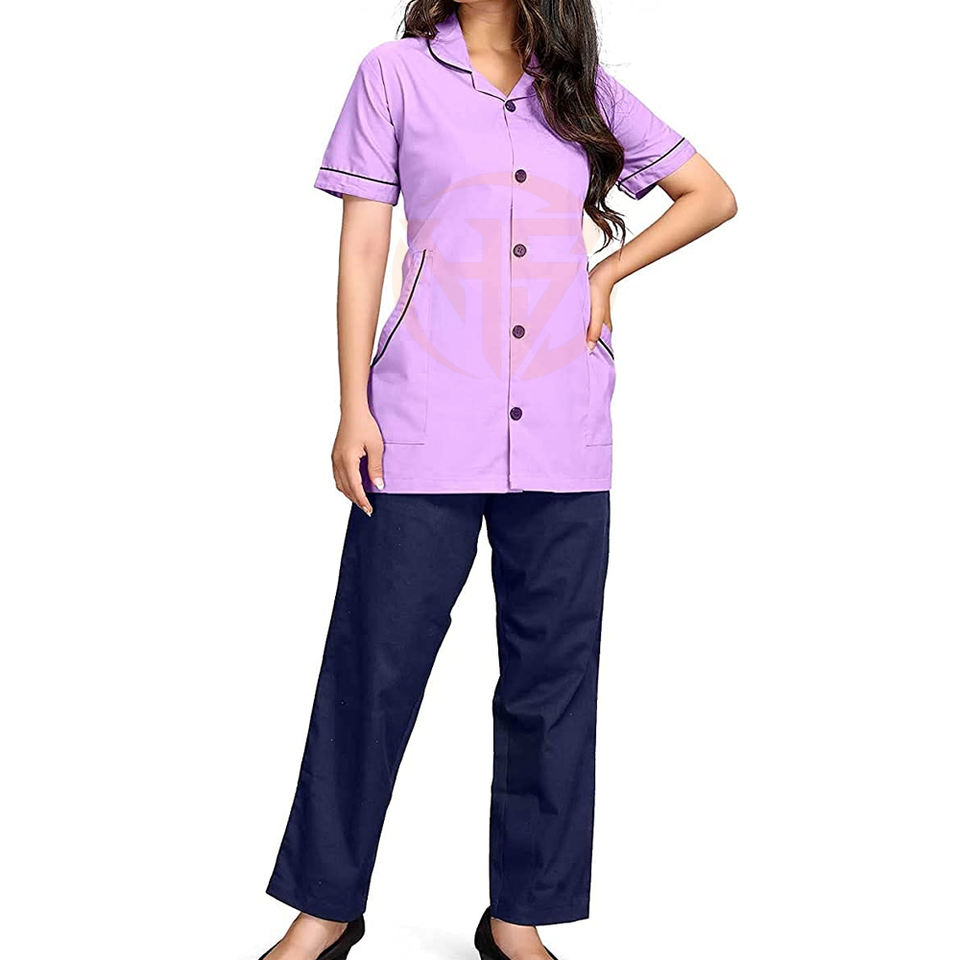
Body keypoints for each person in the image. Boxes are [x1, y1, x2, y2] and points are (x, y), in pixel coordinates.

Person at [259, 1, 736, 958]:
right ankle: (323, 909)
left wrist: (605, 275)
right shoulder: (394, 74)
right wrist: (353, 404)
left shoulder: (581, 89)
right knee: (371, 670)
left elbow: (709, 194)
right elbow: (364, 245)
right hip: (421, 420)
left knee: (551, 684)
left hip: (563, 425)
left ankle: (517, 921)